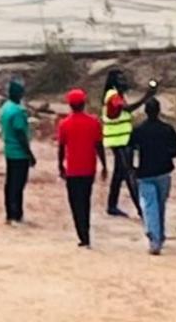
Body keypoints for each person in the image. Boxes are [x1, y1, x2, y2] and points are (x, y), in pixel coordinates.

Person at [132, 94, 176, 255]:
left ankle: (155, 239)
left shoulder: (139, 130)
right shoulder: (167, 129)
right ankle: (160, 235)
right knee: (160, 205)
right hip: (164, 171)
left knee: (150, 206)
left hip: (145, 172)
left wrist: (132, 167)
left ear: (145, 112)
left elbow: (130, 148)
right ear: (159, 111)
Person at [54, 87, 101, 247]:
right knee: (86, 201)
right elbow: (98, 145)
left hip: (73, 170)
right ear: (84, 103)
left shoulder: (64, 124)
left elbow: (61, 147)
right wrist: (105, 164)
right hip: (89, 168)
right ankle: (86, 232)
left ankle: (82, 234)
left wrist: (60, 165)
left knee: (75, 203)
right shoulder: (93, 122)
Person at [101, 69, 141, 219]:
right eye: (120, 79)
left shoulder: (117, 95)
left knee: (119, 173)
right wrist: (147, 96)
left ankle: (112, 205)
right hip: (119, 140)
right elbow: (127, 109)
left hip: (121, 138)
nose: (123, 81)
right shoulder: (113, 95)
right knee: (129, 173)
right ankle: (141, 208)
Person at [0, 77, 34, 225]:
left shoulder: (5, 107)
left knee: (10, 183)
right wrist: (29, 154)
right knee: (18, 184)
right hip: (19, 152)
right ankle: (16, 214)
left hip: (9, 150)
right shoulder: (17, 111)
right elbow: (20, 133)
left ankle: (10, 213)